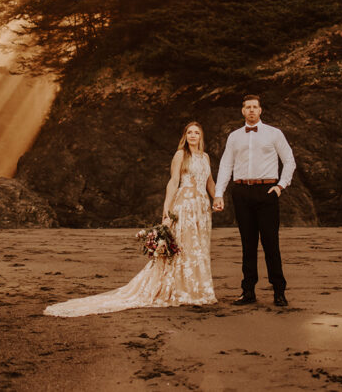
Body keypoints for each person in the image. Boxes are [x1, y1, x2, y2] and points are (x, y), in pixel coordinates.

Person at [43, 122, 217, 317]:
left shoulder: (205, 157)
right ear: (185, 136)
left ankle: (199, 289)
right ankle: (181, 290)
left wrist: (217, 197)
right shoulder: (180, 155)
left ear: (201, 137)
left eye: (197, 133)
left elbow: (209, 182)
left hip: (202, 207)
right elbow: (173, 182)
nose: (193, 136)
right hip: (184, 205)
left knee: (199, 247)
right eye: (190, 133)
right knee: (184, 246)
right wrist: (166, 210)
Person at [213, 95, 296, 307]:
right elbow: (225, 166)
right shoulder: (234, 137)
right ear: (242, 111)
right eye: (247, 107)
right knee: (247, 244)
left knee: (271, 243)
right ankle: (248, 291)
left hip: (267, 191)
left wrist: (281, 186)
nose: (251, 110)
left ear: (260, 110)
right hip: (241, 192)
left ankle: (279, 291)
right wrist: (219, 193)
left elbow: (289, 161)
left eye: (254, 107)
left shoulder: (274, 133)